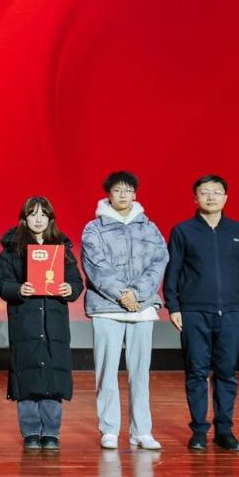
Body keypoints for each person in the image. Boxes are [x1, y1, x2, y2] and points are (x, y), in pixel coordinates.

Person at [165, 175, 239, 453]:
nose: (211, 197)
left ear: (225, 198)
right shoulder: (183, 231)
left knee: (226, 372)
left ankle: (225, 431)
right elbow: (173, 272)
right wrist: (174, 306)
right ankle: (198, 431)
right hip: (194, 312)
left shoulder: (238, 231)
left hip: (231, 312)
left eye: (217, 192)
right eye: (205, 192)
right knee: (196, 372)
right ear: (195, 198)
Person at [80, 171, 169, 451]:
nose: (123, 195)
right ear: (108, 194)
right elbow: (96, 267)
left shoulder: (149, 228)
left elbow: (159, 262)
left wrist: (138, 295)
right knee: (106, 372)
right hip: (107, 308)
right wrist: (122, 294)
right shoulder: (94, 228)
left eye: (128, 190)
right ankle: (109, 429)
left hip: (142, 308)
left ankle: (141, 431)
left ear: (135, 194)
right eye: (117, 190)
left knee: (140, 374)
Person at [0, 196, 84, 450]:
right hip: (25, 321)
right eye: (33, 214)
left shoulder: (61, 247)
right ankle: (30, 432)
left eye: (43, 214)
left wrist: (70, 289)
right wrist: (18, 289)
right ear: (24, 219)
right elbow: (1, 283)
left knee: (53, 377)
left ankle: (51, 433)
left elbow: (76, 282)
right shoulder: (12, 249)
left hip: (54, 323)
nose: (38, 219)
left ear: (50, 219)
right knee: (27, 377)